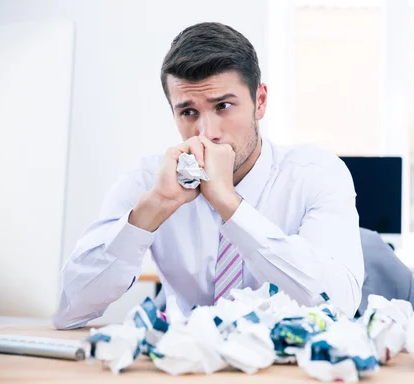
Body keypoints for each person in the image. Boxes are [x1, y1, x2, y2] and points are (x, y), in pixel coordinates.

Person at [52, 22, 364, 329]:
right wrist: (153, 208)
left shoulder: (316, 174)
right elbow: (70, 310)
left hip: (288, 371)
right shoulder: (148, 180)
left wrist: (231, 205)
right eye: (188, 112)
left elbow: (339, 307)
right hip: (186, 368)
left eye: (224, 106)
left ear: (260, 101)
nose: (208, 133)